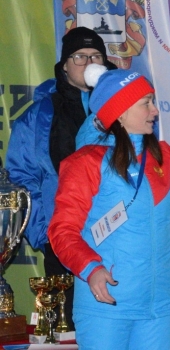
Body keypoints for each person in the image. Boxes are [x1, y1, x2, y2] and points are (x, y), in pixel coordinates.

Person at [48, 64, 170, 350]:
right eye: (146, 103)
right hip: (107, 305)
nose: (155, 110)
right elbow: (63, 231)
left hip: (157, 307)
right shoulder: (85, 163)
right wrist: (90, 268)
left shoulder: (164, 157)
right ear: (121, 111)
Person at [6, 26, 116, 328]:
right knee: (69, 326)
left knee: (116, 321)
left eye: (96, 56)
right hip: (64, 238)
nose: (89, 62)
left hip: (118, 237)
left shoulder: (123, 110)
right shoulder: (38, 115)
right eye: (79, 56)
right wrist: (45, 233)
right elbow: (21, 176)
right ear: (64, 65)